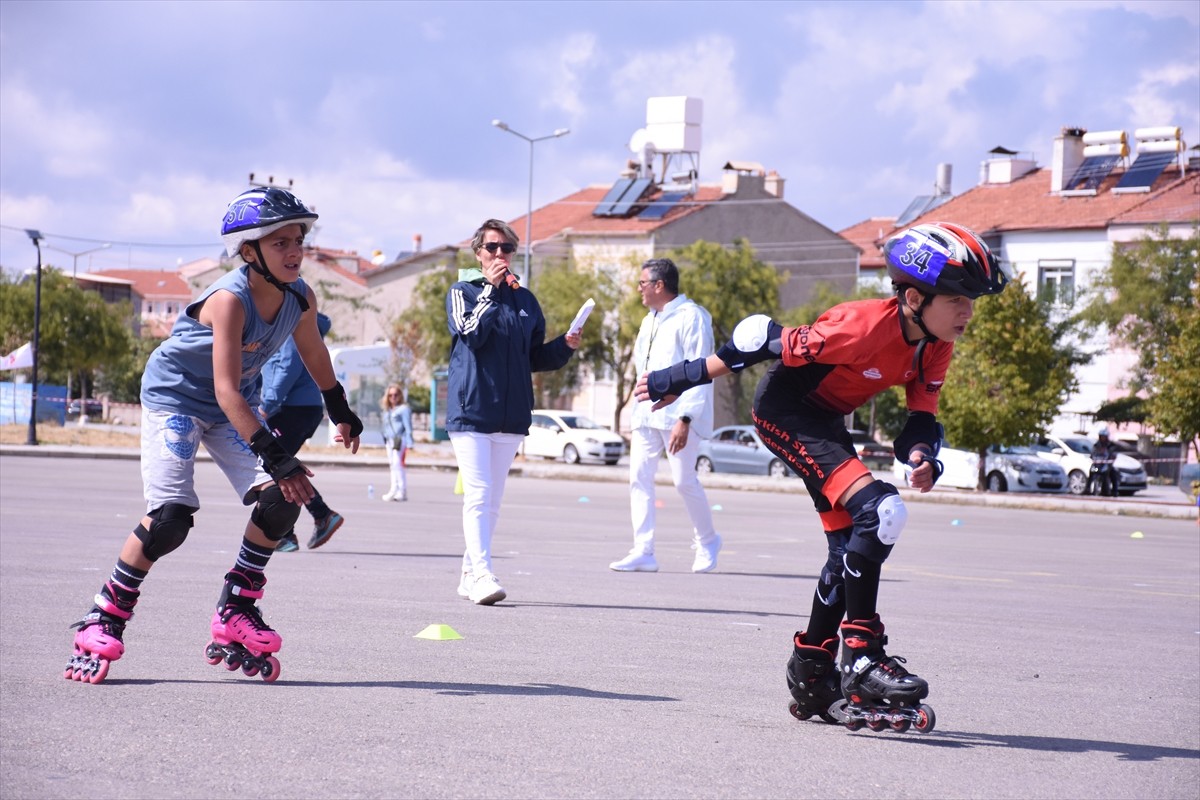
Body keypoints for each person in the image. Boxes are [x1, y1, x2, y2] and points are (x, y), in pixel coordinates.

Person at [635, 222, 1010, 726]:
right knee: (881, 513)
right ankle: (861, 655)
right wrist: (675, 379)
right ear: (915, 297)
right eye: (958, 299)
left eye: (971, 301)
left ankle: (812, 669)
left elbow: (919, 417)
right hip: (784, 413)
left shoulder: (935, 342)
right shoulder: (857, 325)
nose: (967, 312)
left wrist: (922, 456)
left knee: (848, 548)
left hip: (826, 423)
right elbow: (758, 340)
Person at [64, 187, 363, 685]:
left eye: (299, 241)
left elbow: (314, 354)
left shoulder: (300, 296)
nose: (294, 252)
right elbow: (226, 391)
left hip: (231, 405)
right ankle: (105, 616)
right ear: (250, 251)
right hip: (178, 398)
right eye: (280, 243)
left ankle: (236, 607)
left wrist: (340, 408)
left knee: (282, 500)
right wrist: (277, 454)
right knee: (170, 520)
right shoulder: (229, 299)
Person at [445, 219, 580, 605]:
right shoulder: (463, 291)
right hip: (472, 411)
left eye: (507, 249)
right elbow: (470, 332)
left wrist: (565, 346)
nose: (500, 255)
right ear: (478, 253)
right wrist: (489, 288)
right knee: (479, 493)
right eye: (492, 248)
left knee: (493, 500)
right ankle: (483, 574)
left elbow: (533, 358)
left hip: (512, 414)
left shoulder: (526, 301)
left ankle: (470, 571)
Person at [610, 257, 721, 574]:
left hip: (678, 416)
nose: (639, 289)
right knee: (639, 480)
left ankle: (708, 541)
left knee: (683, 481)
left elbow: (701, 370)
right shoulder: (650, 319)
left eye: (643, 283)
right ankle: (643, 551)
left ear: (659, 285)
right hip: (646, 415)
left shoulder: (692, 317)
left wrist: (685, 419)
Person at [260, 312, 345, 550]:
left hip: (292, 409)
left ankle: (310, 521)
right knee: (275, 466)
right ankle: (296, 528)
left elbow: (288, 367)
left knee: (272, 464)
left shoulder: (291, 326)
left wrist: (266, 406)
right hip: (299, 408)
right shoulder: (292, 326)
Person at [381, 383, 414, 501]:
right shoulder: (388, 410)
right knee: (392, 465)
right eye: (390, 395)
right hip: (389, 440)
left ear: (400, 395)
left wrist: (410, 443)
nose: (393, 397)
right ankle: (393, 489)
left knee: (397, 464)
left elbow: (408, 426)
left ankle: (402, 490)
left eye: (396, 395)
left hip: (400, 439)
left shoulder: (404, 409)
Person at [1089, 428, 1119, 497]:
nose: (1103, 438)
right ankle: (1088, 488)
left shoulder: (1110, 445)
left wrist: (1112, 457)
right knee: (1091, 471)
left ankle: (1114, 491)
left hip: (1106, 465)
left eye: (1104, 437)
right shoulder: (1096, 445)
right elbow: (1092, 453)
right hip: (1097, 464)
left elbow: (1113, 453)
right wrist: (1091, 457)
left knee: (1113, 474)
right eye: (1101, 436)